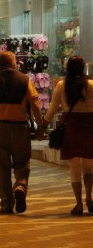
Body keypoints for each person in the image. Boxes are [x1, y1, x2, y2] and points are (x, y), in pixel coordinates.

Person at [0, 51, 45, 214]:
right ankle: (20, 185)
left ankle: (6, 203)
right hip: (20, 127)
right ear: (13, 63)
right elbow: (35, 105)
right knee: (22, 162)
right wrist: (40, 127)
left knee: (1, 167)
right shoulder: (24, 80)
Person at [42, 56, 93, 215]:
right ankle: (89, 198)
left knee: (74, 167)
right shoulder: (91, 86)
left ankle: (78, 204)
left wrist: (42, 126)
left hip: (70, 126)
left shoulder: (61, 86)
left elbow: (52, 109)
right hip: (90, 126)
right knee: (89, 166)